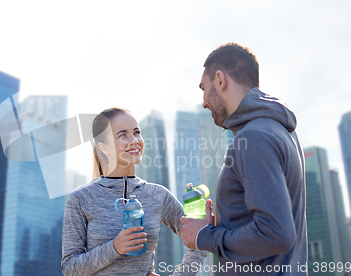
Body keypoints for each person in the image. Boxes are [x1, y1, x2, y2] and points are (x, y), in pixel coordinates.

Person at [180, 43, 307, 275]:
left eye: (204, 88)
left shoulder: (255, 137)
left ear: (220, 79)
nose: (204, 102)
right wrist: (221, 224)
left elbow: (276, 233)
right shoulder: (279, 130)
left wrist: (204, 236)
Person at [61, 107, 208, 276]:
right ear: (103, 147)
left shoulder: (158, 195)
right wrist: (115, 247)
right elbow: (69, 268)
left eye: (137, 132)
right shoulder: (81, 198)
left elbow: (201, 238)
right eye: (123, 135)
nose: (134, 140)